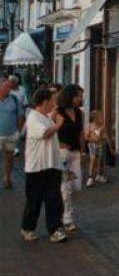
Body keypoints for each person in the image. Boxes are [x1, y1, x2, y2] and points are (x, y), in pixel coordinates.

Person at [20, 88, 68, 243]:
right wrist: (59, 124)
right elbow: (45, 133)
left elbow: (49, 119)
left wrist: (54, 115)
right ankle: (27, 228)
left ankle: (55, 229)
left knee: (54, 199)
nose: (54, 103)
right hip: (36, 167)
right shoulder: (33, 118)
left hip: (52, 165)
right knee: (34, 200)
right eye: (52, 100)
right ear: (45, 102)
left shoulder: (44, 116)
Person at [55, 85, 85, 231]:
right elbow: (51, 131)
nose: (80, 99)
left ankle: (62, 212)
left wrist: (83, 152)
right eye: (77, 95)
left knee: (75, 185)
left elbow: (80, 133)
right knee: (65, 187)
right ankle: (67, 218)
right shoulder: (57, 112)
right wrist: (58, 144)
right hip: (62, 153)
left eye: (81, 96)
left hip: (75, 153)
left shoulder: (79, 113)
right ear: (69, 96)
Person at [0, 78, 25, 189]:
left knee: (9, 158)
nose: (8, 89)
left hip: (11, 134)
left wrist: (18, 131)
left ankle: (7, 177)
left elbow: (20, 115)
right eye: (6, 87)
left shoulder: (14, 99)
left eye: (9, 87)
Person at [84, 109, 115, 187]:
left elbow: (106, 136)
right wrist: (92, 139)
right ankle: (90, 177)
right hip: (93, 145)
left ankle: (99, 175)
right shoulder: (90, 126)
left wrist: (110, 147)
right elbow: (86, 137)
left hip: (101, 145)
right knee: (93, 160)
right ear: (95, 119)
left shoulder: (102, 126)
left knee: (101, 161)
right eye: (100, 118)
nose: (102, 119)